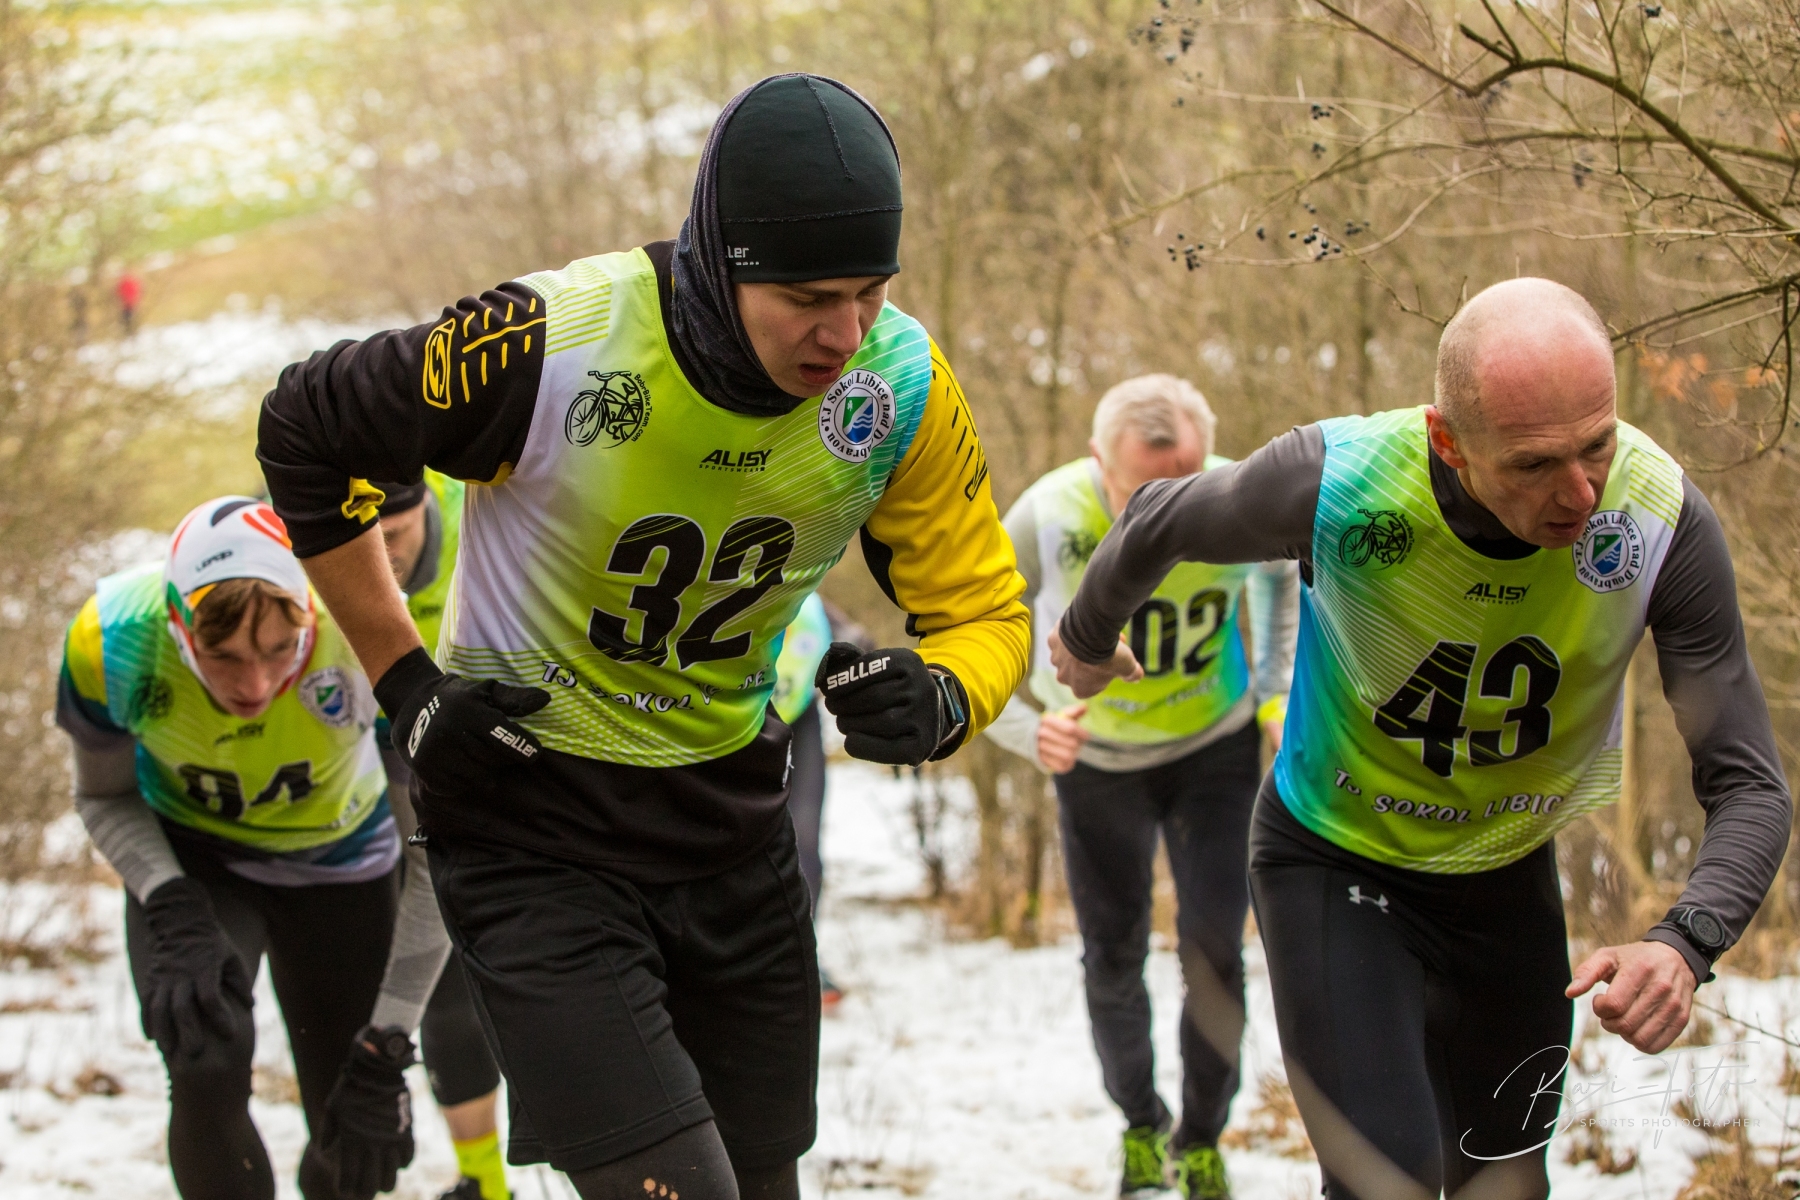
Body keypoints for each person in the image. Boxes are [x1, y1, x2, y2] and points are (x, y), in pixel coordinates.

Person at [257, 73, 1028, 1200]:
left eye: (870, 294)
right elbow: (304, 426)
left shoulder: (900, 385)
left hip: (733, 830)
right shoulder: (548, 342)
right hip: (535, 832)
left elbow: (986, 614)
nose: (844, 334)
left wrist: (947, 693)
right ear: (721, 261)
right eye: (808, 297)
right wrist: (405, 683)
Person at [1050, 278, 1791, 1200]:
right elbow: (1156, 518)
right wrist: (1086, 639)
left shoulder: (1658, 521)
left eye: (1597, 444)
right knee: (1385, 1179)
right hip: (1334, 856)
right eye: (1534, 464)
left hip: (1503, 872)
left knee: (1505, 1185)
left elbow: (1750, 783)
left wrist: (1686, 941)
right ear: (1448, 440)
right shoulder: (1341, 482)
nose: (1580, 491)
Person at [55, 496, 444, 1200]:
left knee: (351, 1120)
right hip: (199, 867)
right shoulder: (110, 640)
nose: (254, 683)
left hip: (343, 867)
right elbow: (104, 797)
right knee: (204, 1058)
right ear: (177, 627)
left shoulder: (365, 633)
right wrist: (169, 901)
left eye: (277, 649)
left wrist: (390, 1044)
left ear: (308, 619)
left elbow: (433, 857)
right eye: (222, 656)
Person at [985, 375, 1296, 1198]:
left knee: (1215, 953)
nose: (1170, 518)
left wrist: (1276, 693)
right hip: (1098, 763)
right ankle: (1139, 1125)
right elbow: (971, 625)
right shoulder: (1047, 515)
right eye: (1143, 495)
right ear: (1098, 460)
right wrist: (1024, 729)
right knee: (1113, 953)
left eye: (1186, 490)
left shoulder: (1246, 497)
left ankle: (1201, 1138)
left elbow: (1281, 584)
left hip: (1214, 753)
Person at [374, 474, 511, 1200]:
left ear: (424, 506)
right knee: (435, 975)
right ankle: (482, 1182)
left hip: (484, 749)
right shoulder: (317, 535)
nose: (376, 557)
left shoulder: (478, 519)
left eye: (392, 537)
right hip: (368, 753)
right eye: (360, 541)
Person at [770, 592, 841, 1008]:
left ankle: (803, 952)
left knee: (805, 843)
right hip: (731, 721)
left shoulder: (808, 589)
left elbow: (847, 633)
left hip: (800, 719)